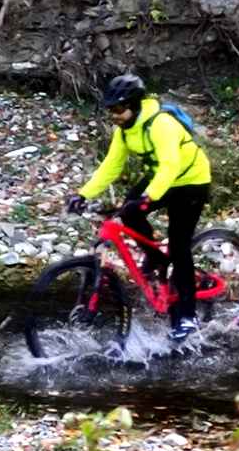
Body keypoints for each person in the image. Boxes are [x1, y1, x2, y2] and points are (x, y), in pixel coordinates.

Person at [65, 74, 212, 342]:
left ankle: (189, 317)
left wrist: (148, 197)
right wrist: (83, 194)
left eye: (118, 109)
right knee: (127, 213)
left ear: (134, 105)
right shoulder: (125, 130)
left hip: (191, 180)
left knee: (179, 248)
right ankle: (155, 257)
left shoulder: (160, 125)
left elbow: (171, 165)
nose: (114, 115)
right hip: (162, 177)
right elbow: (111, 165)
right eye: (110, 110)